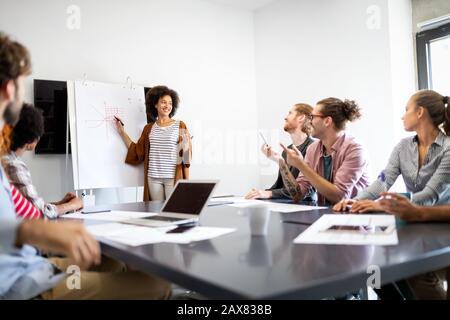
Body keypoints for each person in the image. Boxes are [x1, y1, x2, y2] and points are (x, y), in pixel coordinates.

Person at [0, 32, 170, 300]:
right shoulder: (8, 163)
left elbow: (11, 216)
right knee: (158, 286)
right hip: (21, 282)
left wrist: (42, 223)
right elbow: (21, 222)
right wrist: (48, 224)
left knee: (111, 262)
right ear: (10, 89)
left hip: (29, 266)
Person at [334, 90, 450, 213]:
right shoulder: (402, 147)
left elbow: (429, 195)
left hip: (441, 222)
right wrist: (356, 201)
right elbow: (383, 181)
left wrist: (383, 205)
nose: (402, 117)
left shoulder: (447, 148)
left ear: (420, 112)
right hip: (412, 218)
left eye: (407, 110)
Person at [280, 97, 371, 205]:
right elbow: (298, 195)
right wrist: (282, 164)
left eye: (312, 117)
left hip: (355, 216)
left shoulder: (355, 148)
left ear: (327, 121)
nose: (309, 121)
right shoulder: (313, 149)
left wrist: (301, 165)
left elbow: (339, 197)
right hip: (327, 215)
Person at [2, 105, 83, 218]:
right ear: (31, 140)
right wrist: (71, 206)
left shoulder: (5, 158)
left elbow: (28, 207)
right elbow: (39, 214)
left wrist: (60, 204)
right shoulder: (13, 165)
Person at [116, 85, 192, 201]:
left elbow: (186, 159)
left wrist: (186, 146)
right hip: (153, 178)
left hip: (172, 177)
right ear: (155, 104)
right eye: (163, 102)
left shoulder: (180, 125)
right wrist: (122, 132)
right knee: (156, 212)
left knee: (173, 211)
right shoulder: (148, 128)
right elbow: (137, 150)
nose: (167, 106)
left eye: (170, 103)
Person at [245, 103, 314, 200]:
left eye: (290, 113)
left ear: (301, 118)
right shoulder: (287, 150)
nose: (285, 117)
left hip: (306, 208)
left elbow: (306, 190)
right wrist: (260, 193)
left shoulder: (313, 148)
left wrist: (268, 193)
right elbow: (283, 186)